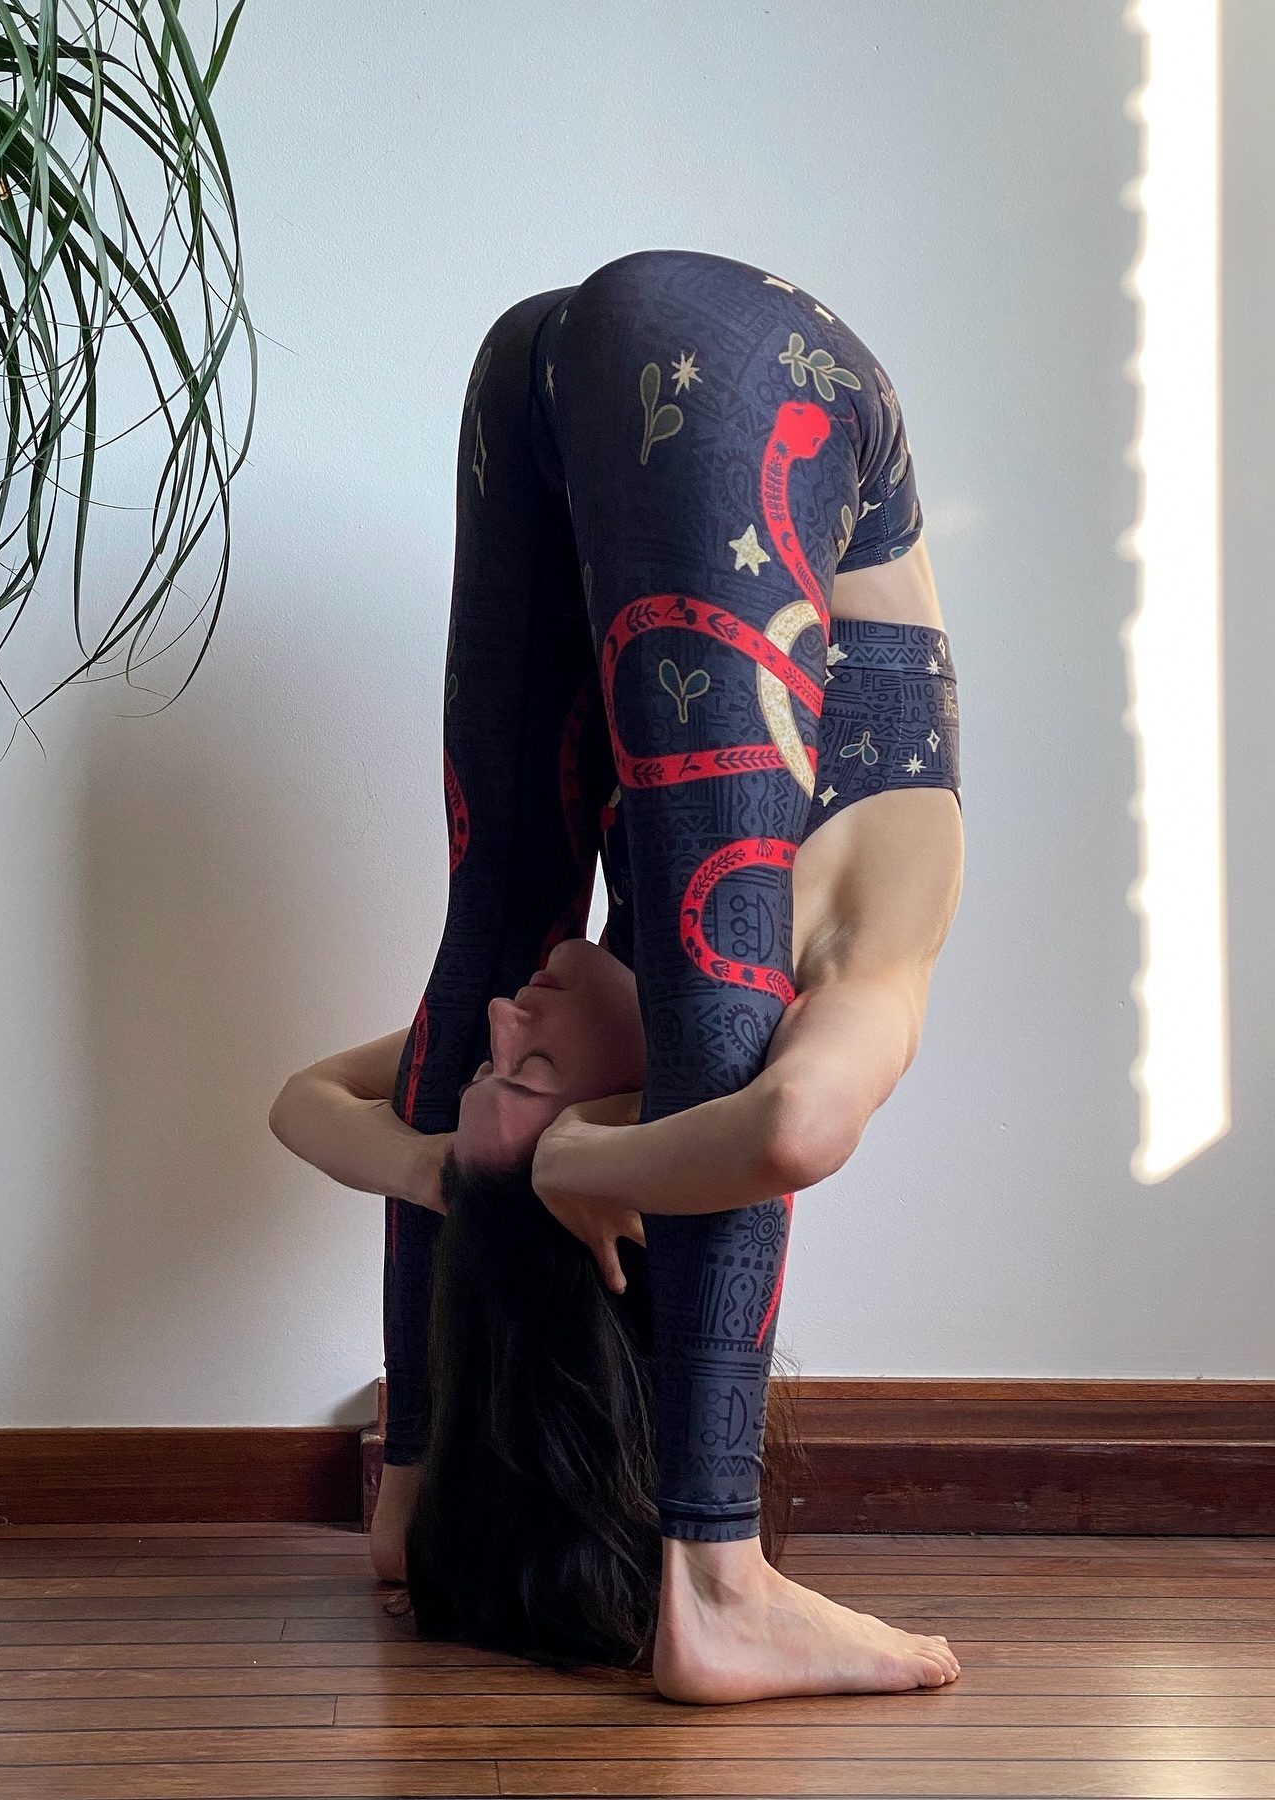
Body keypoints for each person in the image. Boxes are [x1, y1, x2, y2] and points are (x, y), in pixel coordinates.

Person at [271, 249, 964, 1702]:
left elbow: (303, 1103)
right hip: (756, 373)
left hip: (535, 375)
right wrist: (577, 1163)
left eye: (491, 1062)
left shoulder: (559, 1013)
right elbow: (790, 1129)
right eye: (530, 1066)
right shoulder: (835, 976)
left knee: (488, 921)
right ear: (625, 1125)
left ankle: (419, 1484)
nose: (508, 1023)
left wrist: (467, 1172)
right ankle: (714, 1579)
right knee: (724, 995)